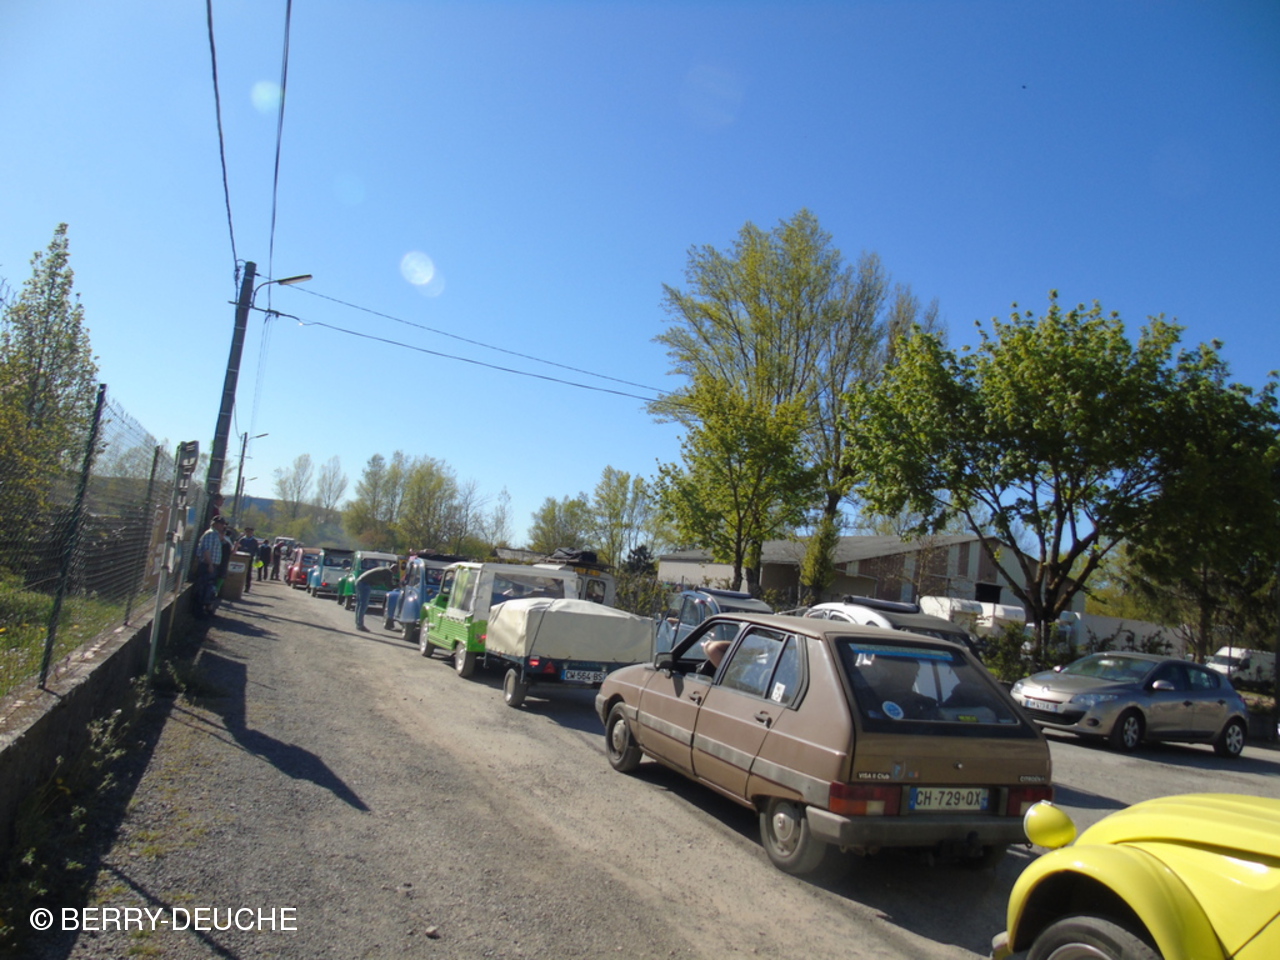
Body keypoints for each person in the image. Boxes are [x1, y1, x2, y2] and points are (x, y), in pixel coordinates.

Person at [195, 516, 227, 617]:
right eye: (221, 524)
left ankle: (206, 609)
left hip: (213, 565)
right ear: (215, 524)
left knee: (209, 588)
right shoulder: (210, 534)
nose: (223, 526)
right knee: (204, 587)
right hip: (207, 565)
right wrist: (210, 564)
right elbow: (206, 550)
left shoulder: (216, 535)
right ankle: (199, 611)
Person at [354, 563, 396, 632]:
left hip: (360, 582)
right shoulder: (388, 572)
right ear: (394, 569)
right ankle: (360, 625)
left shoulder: (384, 570)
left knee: (359, 604)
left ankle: (358, 623)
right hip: (365, 584)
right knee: (363, 605)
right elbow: (388, 585)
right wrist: (397, 586)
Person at [236, 527, 260, 593]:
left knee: (248, 572)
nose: (249, 533)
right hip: (241, 557)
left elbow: (257, 550)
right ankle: (238, 585)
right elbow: (238, 548)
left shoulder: (254, 541)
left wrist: (257, 557)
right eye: (247, 532)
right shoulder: (242, 540)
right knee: (240, 571)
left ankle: (247, 587)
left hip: (249, 558)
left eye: (250, 532)